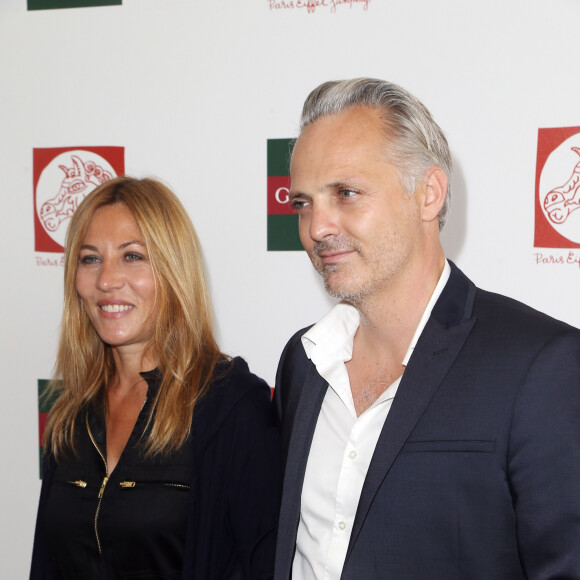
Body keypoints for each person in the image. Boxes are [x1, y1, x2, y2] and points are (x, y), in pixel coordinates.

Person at [273, 78, 580, 579]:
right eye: (303, 202)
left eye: (346, 193)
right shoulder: (302, 362)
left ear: (428, 195)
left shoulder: (540, 367)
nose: (317, 228)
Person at [30, 176, 279, 579]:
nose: (107, 280)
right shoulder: (70, 413)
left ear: (173, 268)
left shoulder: (230, 406)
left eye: (132, 256)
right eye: (90, 258)